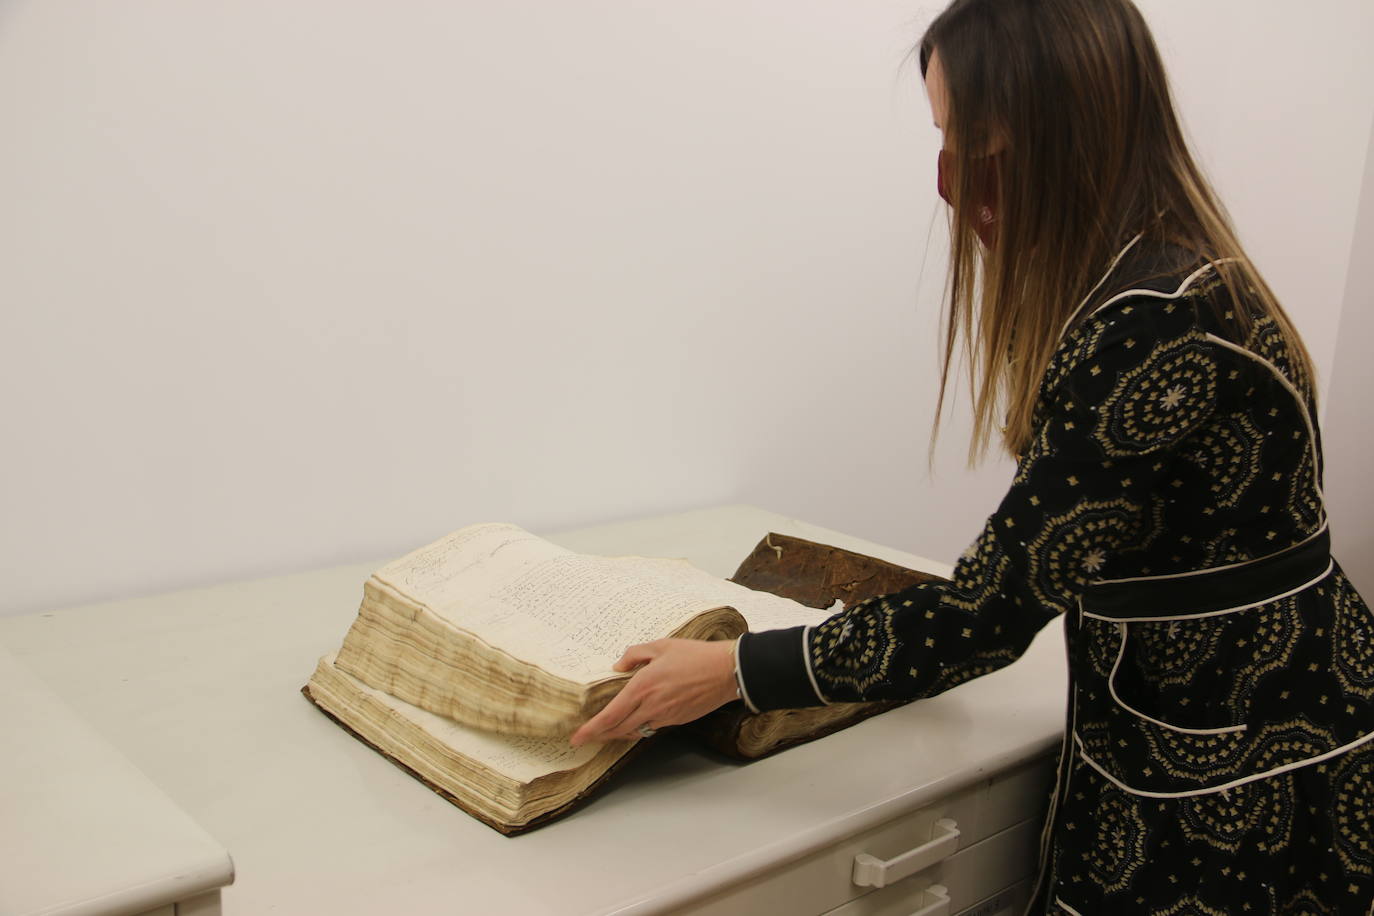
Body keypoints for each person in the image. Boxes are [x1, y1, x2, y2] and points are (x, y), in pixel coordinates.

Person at [571, 0, 1374, 911]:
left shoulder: (1152, 322)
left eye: (974, 134)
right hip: (1220, 712)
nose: (952, 175)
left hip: (1238, 764)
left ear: (1057, 123)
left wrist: (738, 670)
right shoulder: (1170, 272)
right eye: (944, 135)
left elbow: (985, 615)